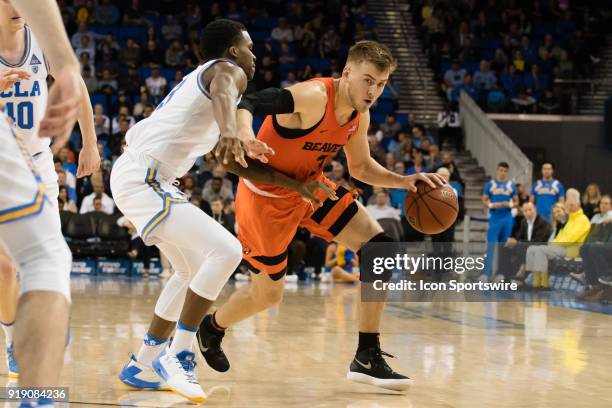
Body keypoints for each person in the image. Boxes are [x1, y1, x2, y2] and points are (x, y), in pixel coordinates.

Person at [196, 40, 445, 391]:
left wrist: (405, 181)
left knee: (380, 249)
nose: (373, 90)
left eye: (381, 84)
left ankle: (367, 354)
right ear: (347, 74)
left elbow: (360, 167)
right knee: (268, 296)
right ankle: (212, 327)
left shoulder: (360, 114)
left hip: (312, 189)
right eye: (368, 80)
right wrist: (246, 133)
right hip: (265, 199)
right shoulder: (314, 96)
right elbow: (250, 100)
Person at [112, 19, 324, 403]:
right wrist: (231, 129)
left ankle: (142, 364)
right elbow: (227, 92)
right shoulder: (227, 72)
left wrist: (296, 185)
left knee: (188, 270)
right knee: (226, 251)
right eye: (249, 48)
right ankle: (179, 354)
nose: (254, 56)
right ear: (233, 52)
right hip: (144, 178)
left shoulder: (207, 88)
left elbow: (234, 164)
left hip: (146, 178)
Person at [0, 0, 100, 384]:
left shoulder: (41, 38)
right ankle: (13, 336)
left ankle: (41, 340)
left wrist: (89, 143)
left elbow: (74, 84)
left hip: (38, 161)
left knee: (49, 256)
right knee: (6, 268)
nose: (16, 5)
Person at [525, 189, 590, 290]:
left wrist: (551, 245)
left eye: (573, 203)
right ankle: (534, 280)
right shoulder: (567, 220)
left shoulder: (582, 219)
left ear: (579, 204)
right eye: (568, 202)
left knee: (540, 250)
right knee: (531, 249)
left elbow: (569, 240)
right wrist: (552, 244)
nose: (570, 205)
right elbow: (559, 237)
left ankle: (542, 284)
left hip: (572, 250)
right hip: (561, 248)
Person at [481, 162, 518, 282]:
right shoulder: (490, 184)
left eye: (505, 171)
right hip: (495, 217)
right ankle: (485, 273)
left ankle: (500, 273)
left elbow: (516, 201)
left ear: (507, 172)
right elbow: (484, 199)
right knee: (491, 246)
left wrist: (510, 204)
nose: (503, 173)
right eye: (501, 170)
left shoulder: (511, 185)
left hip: (507, 218)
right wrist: (492, 204)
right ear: (497, 171)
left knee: (504, 246)